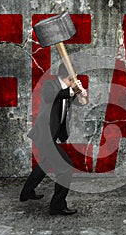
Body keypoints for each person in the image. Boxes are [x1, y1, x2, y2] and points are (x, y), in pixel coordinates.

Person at [20, 63, 87, 216]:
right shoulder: (49, 85)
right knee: (65, 167)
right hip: (44, 136)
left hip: (53, 135)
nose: (76, 80)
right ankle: (57, 206)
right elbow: (53, 96)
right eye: (74, 77)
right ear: (69, 77)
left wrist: (82, 94)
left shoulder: (68, 90)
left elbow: (79, 102)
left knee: (45, 164)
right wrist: (72, 90)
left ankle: (26, 192)